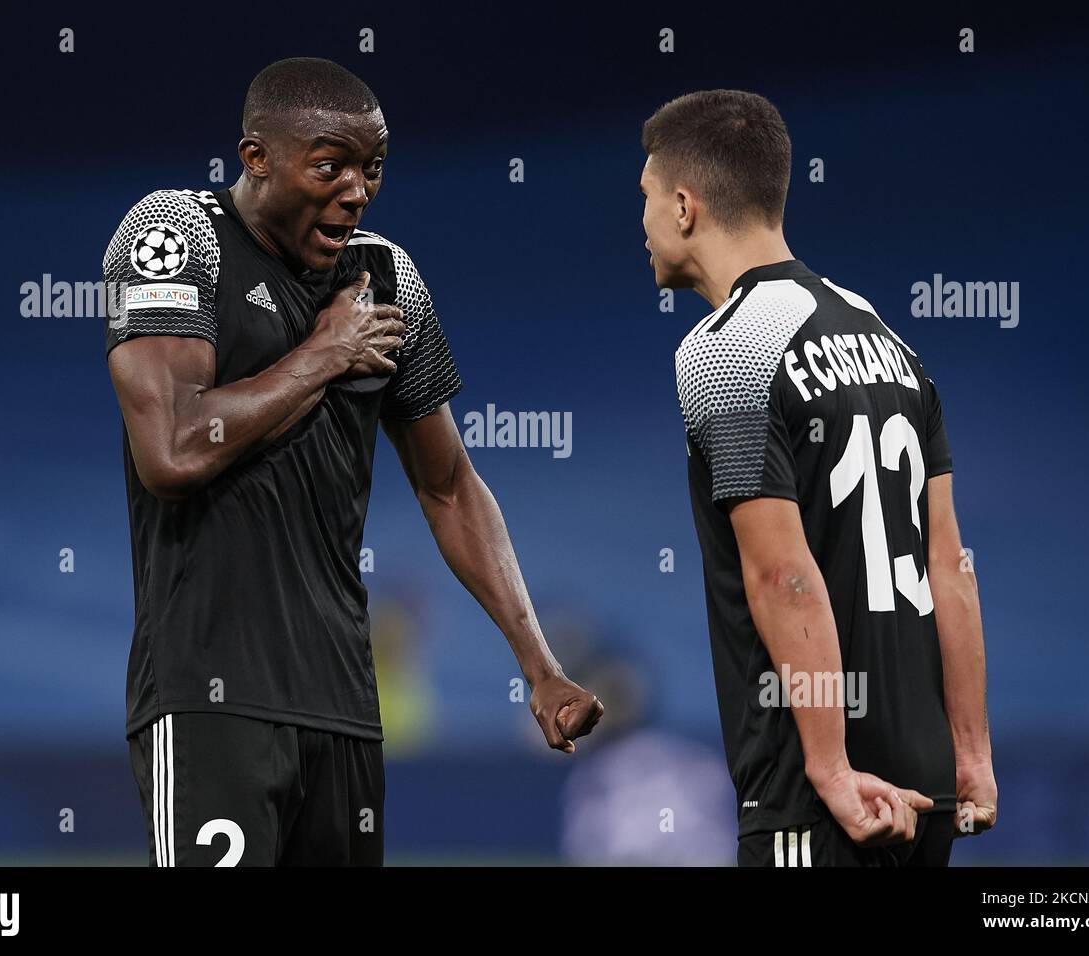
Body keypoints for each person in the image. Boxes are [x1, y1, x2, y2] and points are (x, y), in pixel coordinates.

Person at [103, 57, 602, 866]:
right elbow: (173, 449)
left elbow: (449, 487)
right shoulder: (175, 233)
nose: (357, 189)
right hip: (212, 696)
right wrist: (325, 353)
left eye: (372, 168)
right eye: (329, 164)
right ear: (256, 156)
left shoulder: (388, 275)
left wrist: (540, 668)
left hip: (343, 705)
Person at [638, 89, 996, 866]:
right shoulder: (889, 338)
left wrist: (828, 767)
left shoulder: (723, 350)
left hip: (826, 801)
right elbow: (951, 570)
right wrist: (970, 756)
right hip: (926, 786)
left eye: (644, 199)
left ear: (685, 205)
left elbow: (782, 576)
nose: (641, 224)